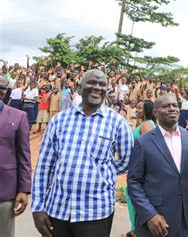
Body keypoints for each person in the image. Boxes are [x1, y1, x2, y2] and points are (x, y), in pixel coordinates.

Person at [32, 70, 134, 237]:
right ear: (80, 87)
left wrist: (102, 171)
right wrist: (37, 207)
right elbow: (44, 166)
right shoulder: (59, 120)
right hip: (57, 209)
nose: (97, 88)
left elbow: (127, 160)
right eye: (92, 83)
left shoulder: (118, 123)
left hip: (96, 212)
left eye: (102, 85)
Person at [127, 94, 188, 237]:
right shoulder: (143, 143)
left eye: (175, 105)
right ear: (155, 112)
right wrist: (150, 215)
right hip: (156, 222)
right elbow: (133, 182)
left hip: (185, 218)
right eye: (166, 106)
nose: (172, 109)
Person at [0, 75, 31, 237]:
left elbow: (24, 155)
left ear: (6, 91)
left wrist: (24, 190)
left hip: (5, 191)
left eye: (2, 88)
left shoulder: (18, 116)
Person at [125, 100, 156, 236]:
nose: (136, 110)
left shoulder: (147, 125)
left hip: (140, 172)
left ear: (147, 110)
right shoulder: (143, 124)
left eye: (139, 108)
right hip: (135, 168)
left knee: (137, 209)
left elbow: (151, 150)